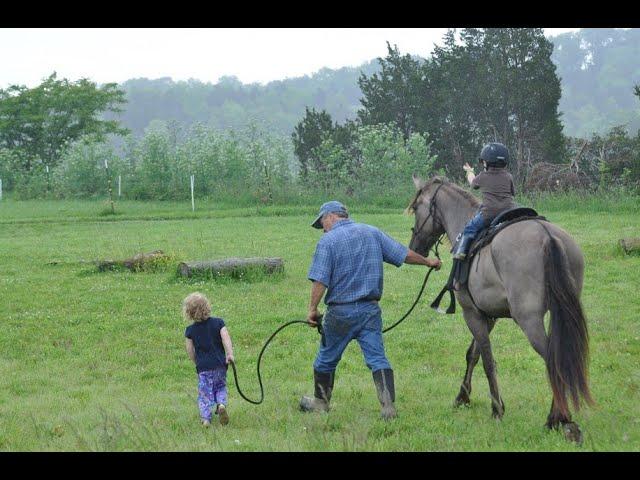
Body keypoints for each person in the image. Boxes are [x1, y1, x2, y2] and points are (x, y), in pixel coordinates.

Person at [300, 201, 442, 420]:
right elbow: (403, 254)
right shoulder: (372, 232)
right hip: (369, 311)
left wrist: (312, 309)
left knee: (326, 359)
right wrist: (428, 262)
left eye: (322, 223)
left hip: (340, 313)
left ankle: (321, 402)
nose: (323, 228)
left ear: (330, 217)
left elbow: (320, 279)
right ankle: (387, 407)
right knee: (377, 358)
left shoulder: (328, 241)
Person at [453, 142, 517, 260]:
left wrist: (469, 171)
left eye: (483, 161)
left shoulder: (483, 176)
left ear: (487, 162)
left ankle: (461, 252)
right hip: (509, 211)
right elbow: (513, 193)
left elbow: (472, 182)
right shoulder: (509, 176)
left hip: (489, 214)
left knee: (470, 228)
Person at [183, 292, 235, 427]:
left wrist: (196, 361)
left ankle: (206, 419)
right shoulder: (218, 323)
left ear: (189, 312)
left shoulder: (190, 331)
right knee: (220, 387)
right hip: (219, 365)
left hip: (203, 368)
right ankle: (221, 404)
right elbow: (226, 338)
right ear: (207, 307)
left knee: (205, 394)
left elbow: (190, 351)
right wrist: (229, 354)